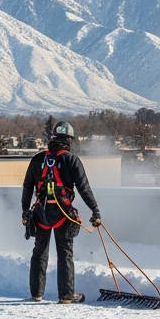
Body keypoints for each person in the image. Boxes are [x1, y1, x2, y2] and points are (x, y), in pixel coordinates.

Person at [21, 121, 101, 304]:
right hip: (63, 213)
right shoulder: (71, 160)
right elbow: (84, 188)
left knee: (39, 252)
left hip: (40, 213)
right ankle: (66, 296)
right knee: (65, 253)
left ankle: (36, 294)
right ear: (69, 140)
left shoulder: (37, 159)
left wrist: (25, 211)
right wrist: (95, 211)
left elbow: (27, 187)